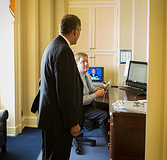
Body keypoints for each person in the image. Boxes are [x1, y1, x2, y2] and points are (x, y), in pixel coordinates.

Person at [32, 14, 83, 160]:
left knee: (49, 155)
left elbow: (43, 82)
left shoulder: (52, 46)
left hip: (49, 115)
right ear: (75, 31)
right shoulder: (64, 51)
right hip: (58, 121)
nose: (79, 34)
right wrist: (73, 123)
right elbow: (65, 92)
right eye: (80, 31)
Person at [74, 52, 109, 144]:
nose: (86, 64)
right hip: (81, 108)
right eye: (83, 62)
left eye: (87, 61)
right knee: (104, 116)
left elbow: (91, 89)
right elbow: (81, 100)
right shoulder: (76, 79)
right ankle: (110, 144)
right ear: (77, 64)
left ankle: (111, 134)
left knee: (109, 107)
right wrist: (96, 95)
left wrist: (99, 90)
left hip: (90, 103)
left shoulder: (87, 75)